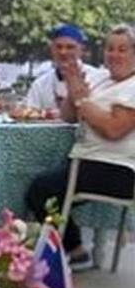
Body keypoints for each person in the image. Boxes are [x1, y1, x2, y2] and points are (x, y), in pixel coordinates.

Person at [26, 24, 135, 271]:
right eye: (110, 49)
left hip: (117, 168)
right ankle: (67, 248)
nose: (114, 55)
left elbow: (113, 129)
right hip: (86, 160)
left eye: (122, 50)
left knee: (41, 190)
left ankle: (73, 250)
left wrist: (83, 100)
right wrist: (74, 90)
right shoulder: (100, 77)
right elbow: (69, 116)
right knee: (40, 185)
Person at [25, 23, 103, 111]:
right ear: (52, 49)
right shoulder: (40, 85)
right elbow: (29, 114)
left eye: (70, 47)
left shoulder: (98, 78)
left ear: (81, 50)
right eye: (59, 47)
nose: (63, 52)